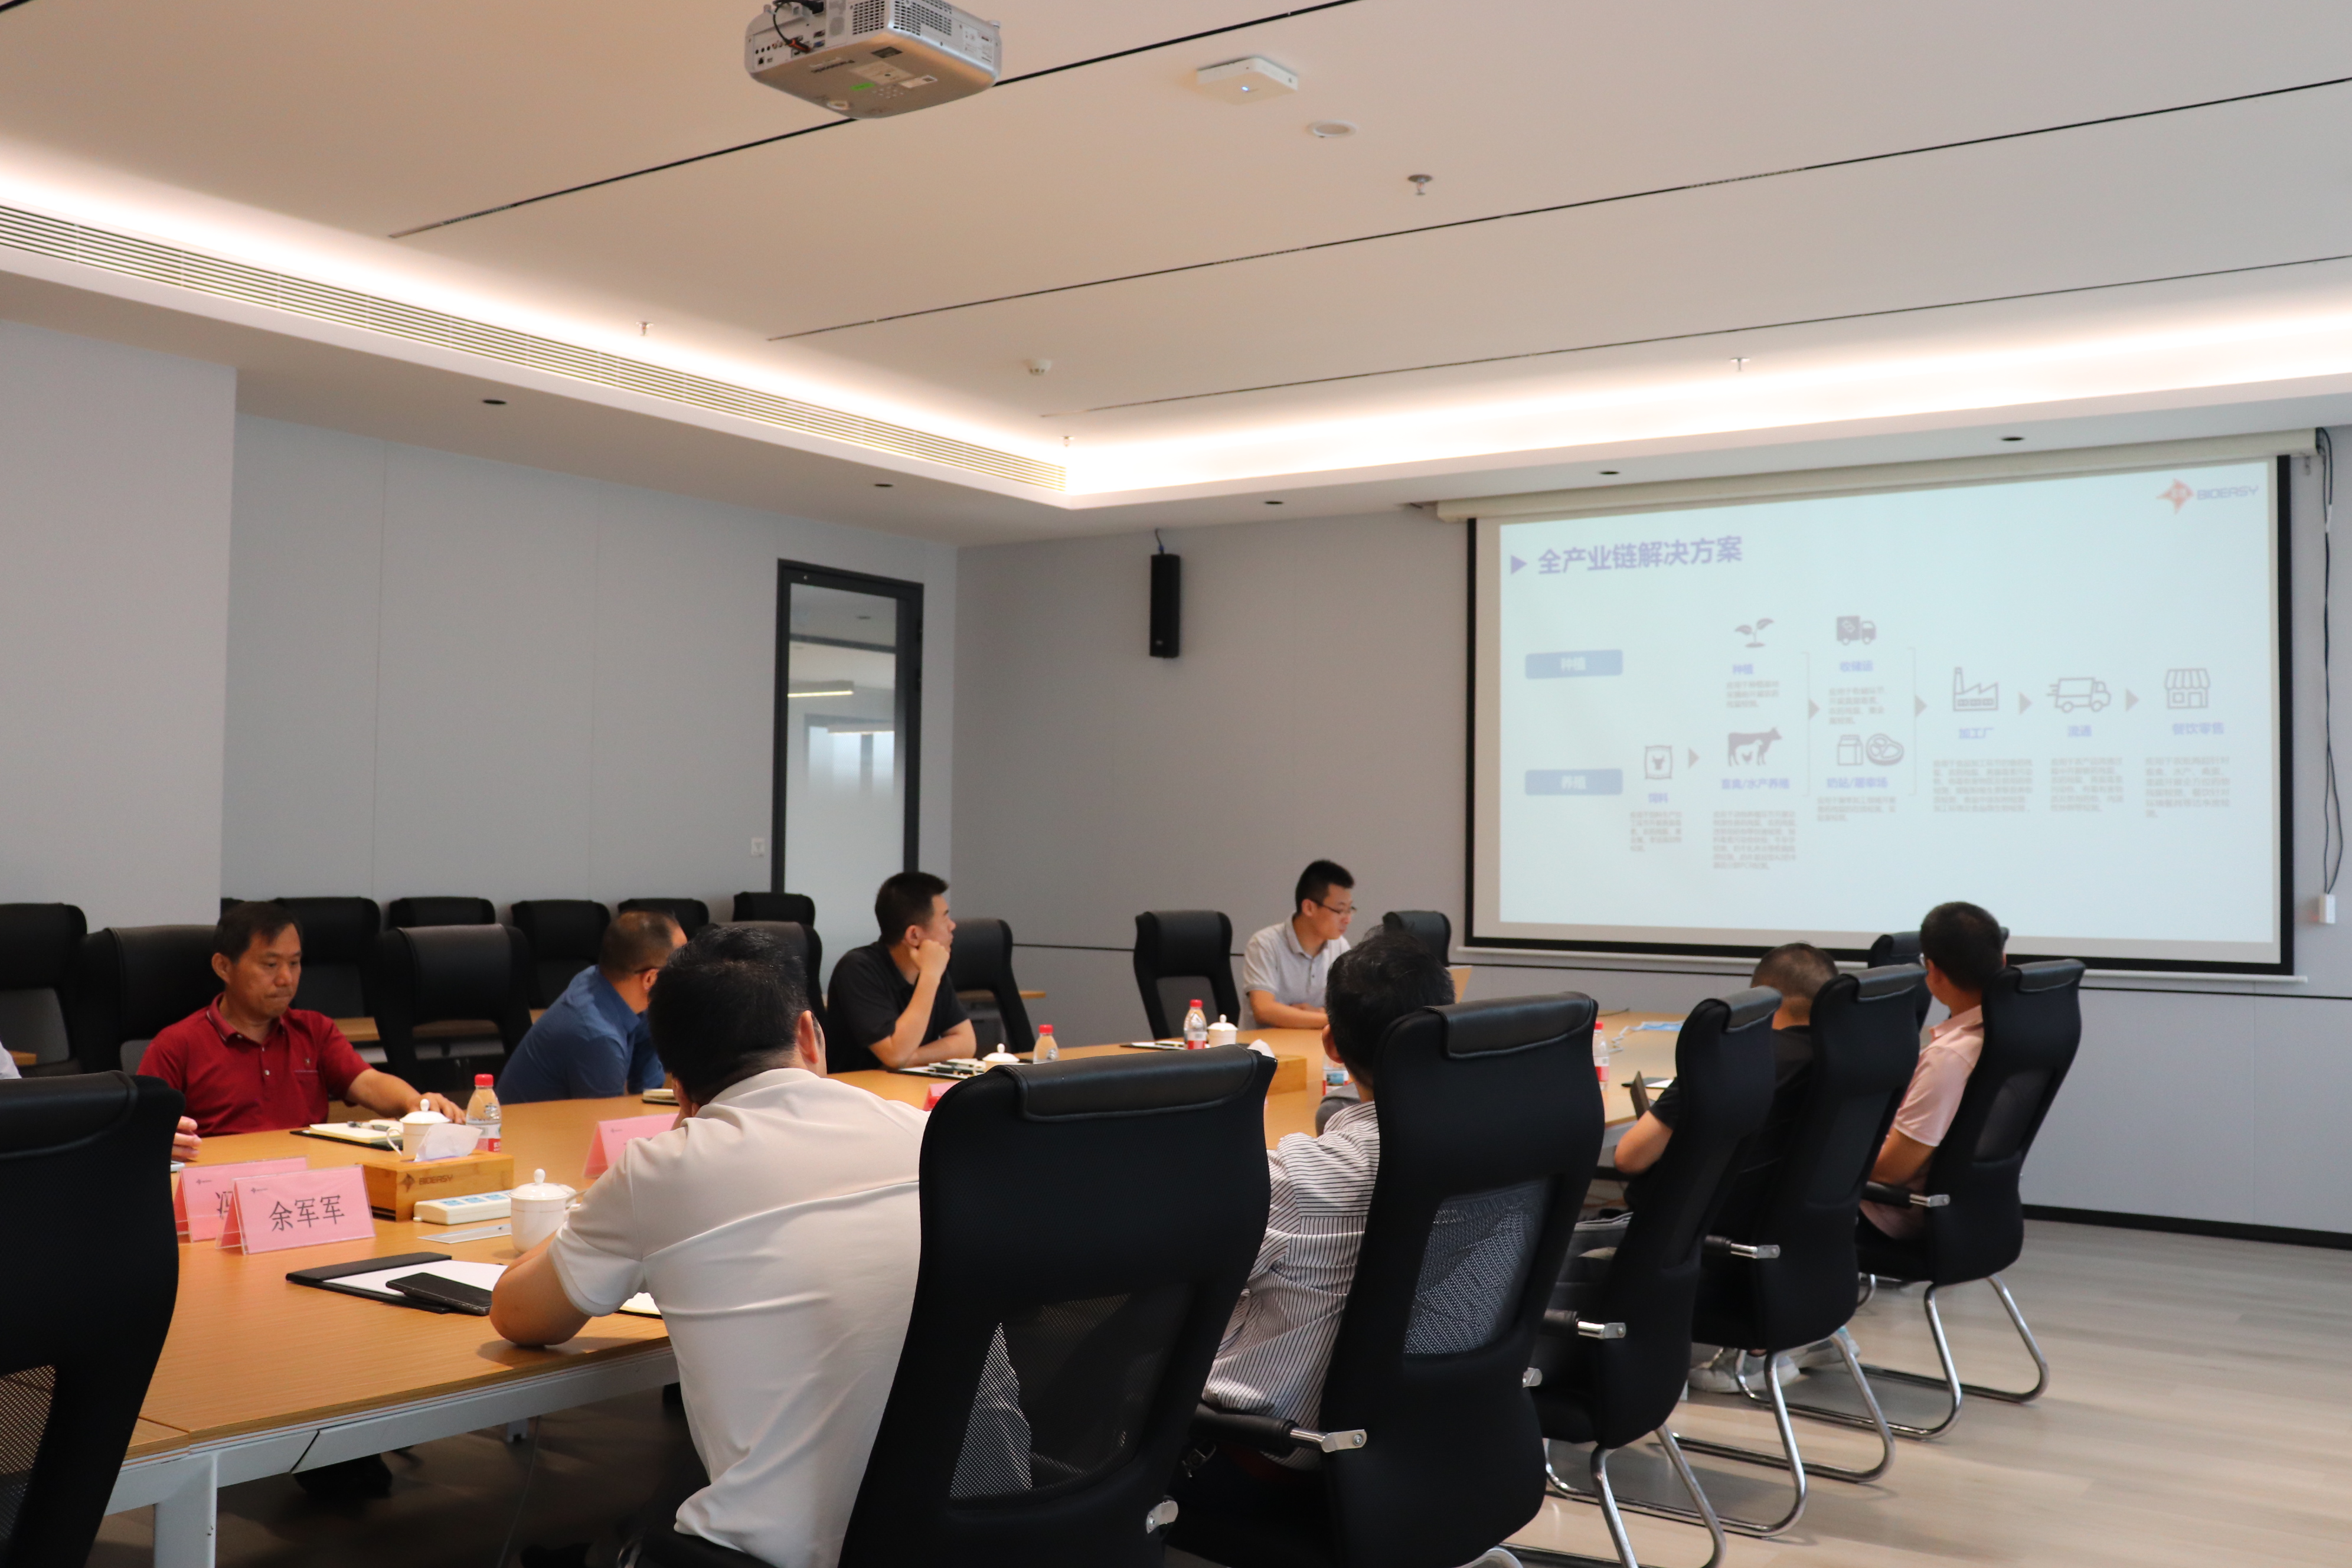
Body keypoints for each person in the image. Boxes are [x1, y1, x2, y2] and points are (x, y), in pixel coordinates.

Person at [491, 923, 926, 1568]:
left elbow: (518, 1314)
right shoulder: (927, 1134)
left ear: (676, 1082)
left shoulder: (662, 1171)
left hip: (790, 1554)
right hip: (974, 1523)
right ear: (809, 1034)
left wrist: (611, 1202)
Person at [1177, 930, 1453, 1520]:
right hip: (1442, 1448)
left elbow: (1179, 1282)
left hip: (1273, 1461)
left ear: (1331, 1043)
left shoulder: (1300, 1180)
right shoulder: (1500, 1150)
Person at [1607, 942, 1837, 1392]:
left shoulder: (1734, 1062)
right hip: (1806, 1258)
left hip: (1708, 1246)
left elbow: (1629, 1157)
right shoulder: (1845, 1057)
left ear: (1763, 1000)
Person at [139, 901, 462, 1138]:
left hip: (306, 1181)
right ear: (224, 967)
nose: (286, 979)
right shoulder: (177, 1045)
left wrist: (414, 1102)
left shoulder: (314, 1030)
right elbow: (143, 1129)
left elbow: (368, 1082)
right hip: (221, 1187)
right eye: (270, 965)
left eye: (294, 964)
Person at [1859, 900, 2005, 1241]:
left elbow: (1889, 1173)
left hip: (1894, 1216)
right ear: (2003, 960)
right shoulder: (2009, 1032)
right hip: (1975, 1211)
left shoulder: (1949, 1058)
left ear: (1933, 972)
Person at [495, 911, 684, 1103]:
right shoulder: (598, 1036)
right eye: (683, 966)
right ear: (651, 979)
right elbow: (609, 1119)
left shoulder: (598, 980)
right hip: (522, 1122)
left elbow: (647, 1093)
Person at [825, 870, 977, 1070]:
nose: (952, 925)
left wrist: (911, 1058)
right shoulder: (857, 969)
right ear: (914, 935)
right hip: (858, 1087)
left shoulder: (932, 967)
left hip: (905, 1084)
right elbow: (895, 1054)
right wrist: (930, 976)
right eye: (944, 918)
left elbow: (966, 1043)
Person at [1242, 861, 1357, 1030]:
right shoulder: (1265, 944)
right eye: (1340, 910)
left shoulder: (1340, 947)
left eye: (1350, 909)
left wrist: (1317, 1013)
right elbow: (1264, 1010)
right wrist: (1330, 1020)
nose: (1348, 919)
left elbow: (1350, 1009)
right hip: (1266, 1045)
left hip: (1313, 1043)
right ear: (1309, 908)